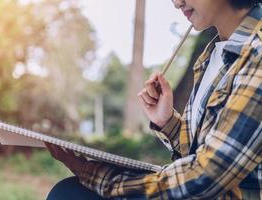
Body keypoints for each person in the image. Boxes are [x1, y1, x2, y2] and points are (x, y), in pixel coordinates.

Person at [46, 0, 262, 199]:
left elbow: (206, 177)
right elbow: (204, 150)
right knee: (69, 191)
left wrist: (96, 174)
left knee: (69, 194)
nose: (177, 3)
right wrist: (167, 121)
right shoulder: (213, 54)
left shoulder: (257, 54)